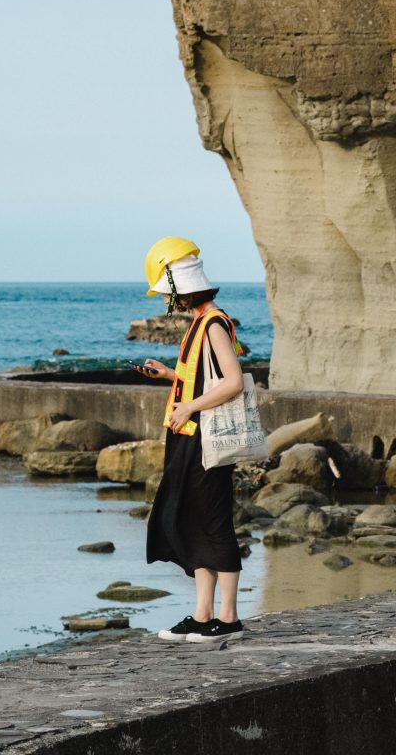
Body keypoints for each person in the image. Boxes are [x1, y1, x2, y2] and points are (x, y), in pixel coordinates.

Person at [136, 236, 249, 644]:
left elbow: (233, 382)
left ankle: (229, 618)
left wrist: (190, 407)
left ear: (182, 290)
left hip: (206, 438)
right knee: (190, 520)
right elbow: (205, 376)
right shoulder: (200, 322)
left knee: (215, 523)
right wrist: (170, 377)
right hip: (188, 437)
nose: (171, 303)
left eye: (170, 295)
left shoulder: (215, 322)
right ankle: (202, 616)